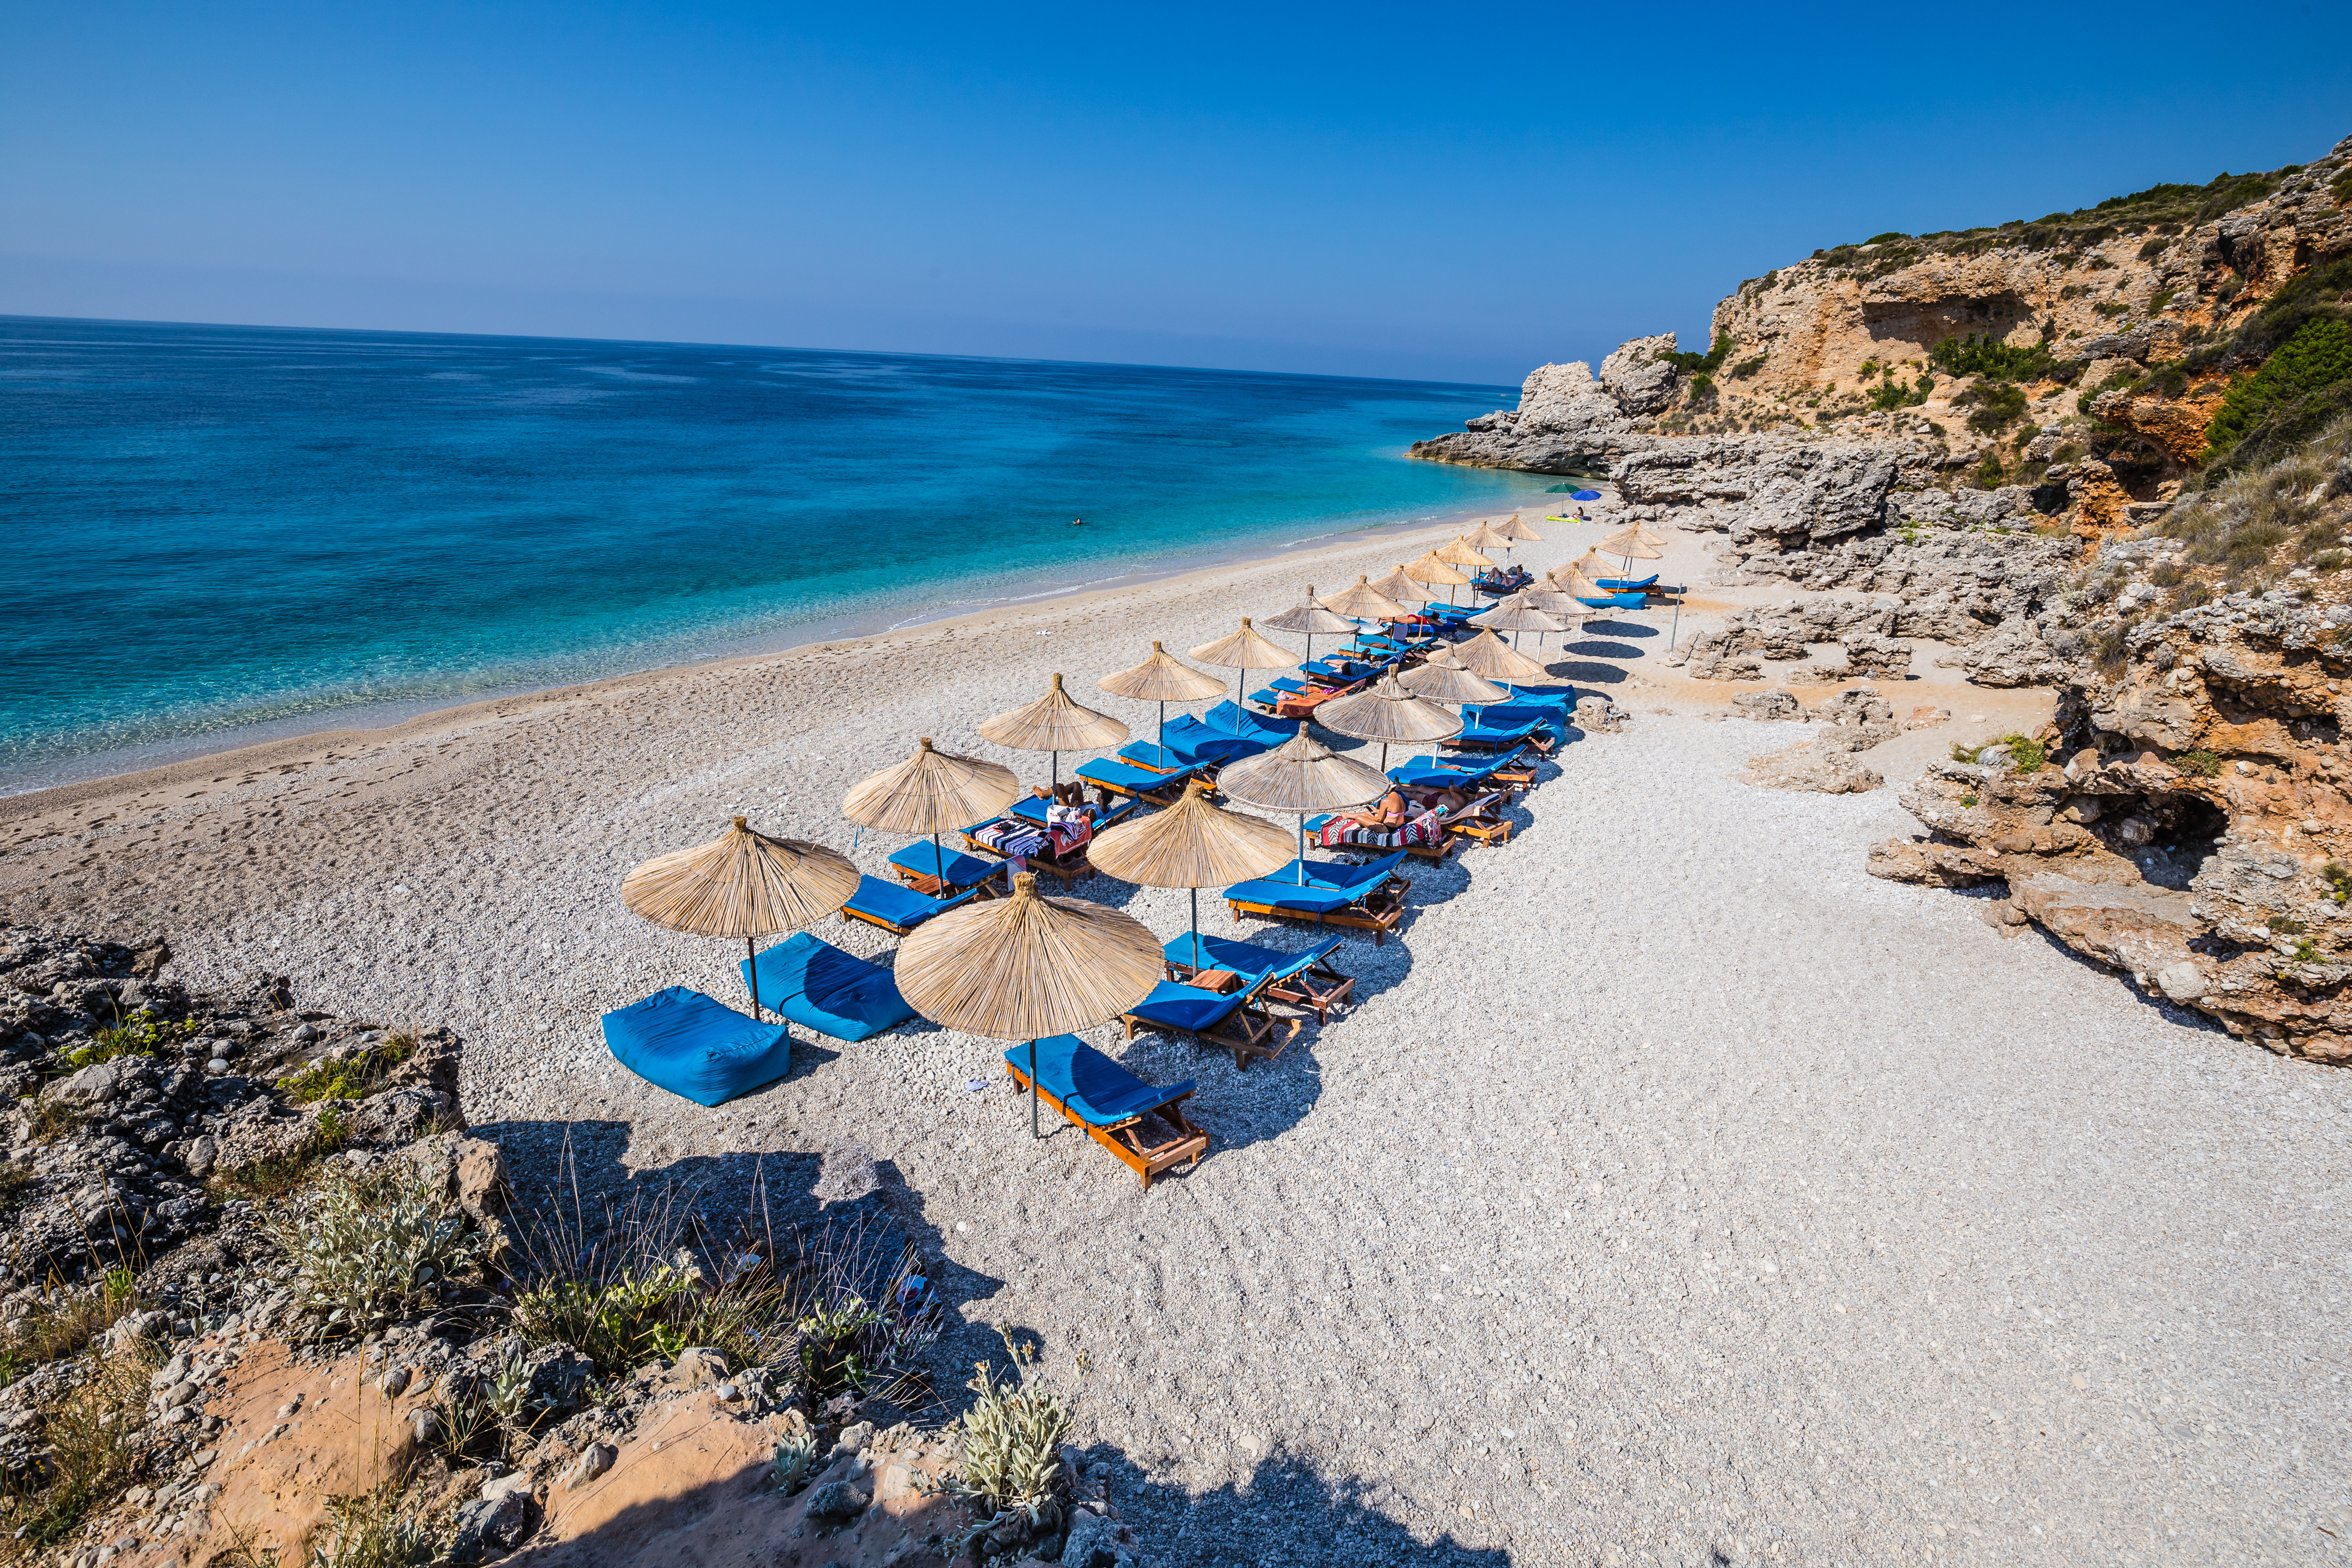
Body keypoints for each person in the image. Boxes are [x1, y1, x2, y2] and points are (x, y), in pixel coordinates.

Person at [1345, 786, 1409, 832]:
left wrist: (1369, 817)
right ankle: (1347, 815)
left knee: (1359, 818)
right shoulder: (1400, 797)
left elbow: (1379, 819)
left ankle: (1348, 815)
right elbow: (1393, 812)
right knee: (1371, 812)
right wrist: (1377, 811)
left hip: (1388, 828)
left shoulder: (1386, 801)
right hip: (1398, 824)